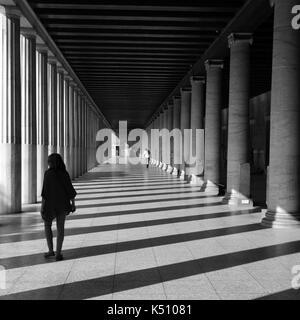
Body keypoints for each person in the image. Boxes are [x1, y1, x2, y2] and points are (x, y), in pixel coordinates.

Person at [41, 153, 77, 261]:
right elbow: (70, 189)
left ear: (50, 163)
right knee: (60, 228)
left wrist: (42, 207)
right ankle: (58, 253)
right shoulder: (64, 173)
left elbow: (44, 192)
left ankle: (51, 250)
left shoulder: (47, 174)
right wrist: (73, 204)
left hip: (49, 205)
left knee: (47, 226)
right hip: (62, 204)